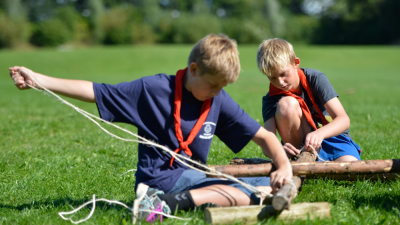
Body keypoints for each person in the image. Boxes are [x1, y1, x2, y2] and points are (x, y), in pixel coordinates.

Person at [9, 34, 292, 223]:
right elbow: (96, 91)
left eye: (223, 87)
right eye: (213, 84)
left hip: (191, 177)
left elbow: (264, 136)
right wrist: (37, 79)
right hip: (156, 181)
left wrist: (282, 165)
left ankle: (170, 203)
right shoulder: (153, 89)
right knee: (257, 192)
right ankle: (164, 203)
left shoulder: (217, 99)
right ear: (193, 69)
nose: (217, 92)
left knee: (277, 185)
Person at [257, 38, 361, 162]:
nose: (280, 82)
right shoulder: (271, 98)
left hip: (332, 137)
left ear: (296, 63)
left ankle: (315, 163)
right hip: (301, 146)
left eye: (283, 74)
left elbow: (343, 120)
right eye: (272, 78)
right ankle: (300, 159)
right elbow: (267, 141)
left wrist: (319, 134)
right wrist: (278, 150)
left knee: (349, 165)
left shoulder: (315, 79)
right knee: (286, 104)